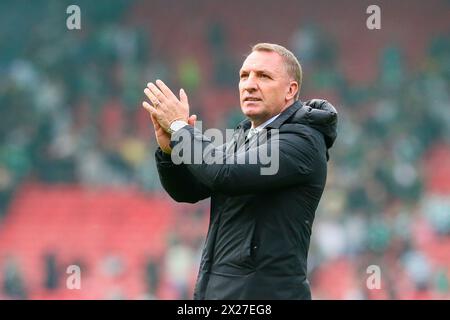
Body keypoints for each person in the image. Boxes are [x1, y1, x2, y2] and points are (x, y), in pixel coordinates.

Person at [142, 43, 337, 299]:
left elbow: (224, 174)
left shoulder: (302, 141)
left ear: (291, 90)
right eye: (244, 76)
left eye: (264, 76)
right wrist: (170, 151)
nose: (249, 84)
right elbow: (187, 191)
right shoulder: (245, 137)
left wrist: (181, 128)